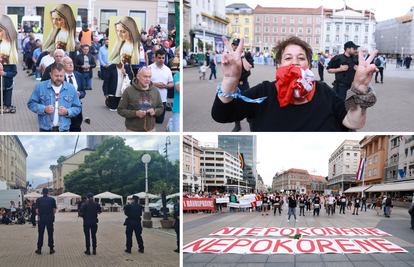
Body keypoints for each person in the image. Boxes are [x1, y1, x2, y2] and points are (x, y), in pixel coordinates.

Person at [212, 36, 378, 132]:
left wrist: (360, 86)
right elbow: (222, 115)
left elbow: (354, 122)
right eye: (288, 58)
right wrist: (231, 79)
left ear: (308, 64)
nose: (295, 63)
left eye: (301, 58)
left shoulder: (324, 92)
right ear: (278, 64)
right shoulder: (263, 91)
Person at [27, 63, 82, 132]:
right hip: (45, 129)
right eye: (56, 76)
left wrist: (67, 111)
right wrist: (44, 109)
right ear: (51, 75)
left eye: (61, 76)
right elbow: (31, 104)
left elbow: (78, 107)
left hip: (64, 130)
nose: (59, 78)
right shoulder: (40, 87)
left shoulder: (71, 88)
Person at [117, 67, 163, 131]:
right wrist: (135, 113)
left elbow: (161, 107)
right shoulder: (128, 91)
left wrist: (155, 111)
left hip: (150, 130)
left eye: (149, 77)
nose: (148, 79)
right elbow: (120, 110)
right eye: (145, 76)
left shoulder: (155, 90)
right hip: (132, 131)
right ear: (138, 76)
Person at [148, 49, 174, 124]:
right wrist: (154, 84)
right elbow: (143, 83)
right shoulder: (149, 68)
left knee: (159, 121)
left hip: (162, 101)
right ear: (155, 58)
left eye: (163, 58)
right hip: (149, 100)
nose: (161, 60)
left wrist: (165, 85)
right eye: (159, 58)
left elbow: (171, 83)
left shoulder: (167, 70)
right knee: (149, 121)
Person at [62, 57, 86, 132]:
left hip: (76, 108)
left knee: (76, 128)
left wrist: (80, 94)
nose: (70, 64)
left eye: (71, 62)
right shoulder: (60, 77)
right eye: (68, 63)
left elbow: (83, 91)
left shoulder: (79, 76)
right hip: (64, 108)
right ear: (63, 65)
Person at [35, 188, 57, 255]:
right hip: (49, 218)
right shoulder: (52, 200)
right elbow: (54, 210)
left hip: (41, 218)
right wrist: (50, 215)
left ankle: (39, 249)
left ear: (42, 193)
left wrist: (41, 215)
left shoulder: (38, 200)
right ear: (48, 193)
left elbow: (36, 210)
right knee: (50, 234)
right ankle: (51, 249)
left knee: (40, 234)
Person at [167, 62, 180, 132]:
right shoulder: (177, 75)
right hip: (177, 109)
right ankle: (170, 123)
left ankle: (171, 124)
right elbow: (178, 88)